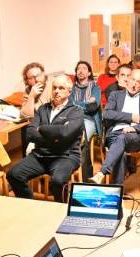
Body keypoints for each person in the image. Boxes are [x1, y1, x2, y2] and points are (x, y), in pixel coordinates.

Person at [7, 75, 83, 203]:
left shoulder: (76, 111)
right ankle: (30, 205)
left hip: (65, 156)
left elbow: (64, 133)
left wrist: (41, 128)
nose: (56, 91)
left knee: (58, 181)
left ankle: (61, 209)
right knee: (13, 174)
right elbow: (30, 133)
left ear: (69, 92)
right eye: (54, 88)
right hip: (40, 155)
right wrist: (54, 137)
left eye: (61, 88)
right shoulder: (43, 109)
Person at [88, 69, 140, 185]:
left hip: (137, 136)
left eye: (138, 82)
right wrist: (130, 117)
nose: (134, 84)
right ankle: (118, 190)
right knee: (120, 152)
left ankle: (102, 172)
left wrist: (135, 128)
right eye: (132, 79)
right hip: (115, 133)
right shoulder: (116, 95)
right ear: (128, 79)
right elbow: (107, 114)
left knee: (122, 138)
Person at [69, 61, 102, 181]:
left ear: (89, 73)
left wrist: (76, 104)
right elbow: (69, 105)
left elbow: (93, 107)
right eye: (78, 68)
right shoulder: (72, 89)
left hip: (89, 120)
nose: (81, 70)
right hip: (73, 118)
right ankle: (68, 170)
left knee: (81, 138)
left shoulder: (95, 88)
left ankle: (86, 176)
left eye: (84, 68)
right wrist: (85, 104)